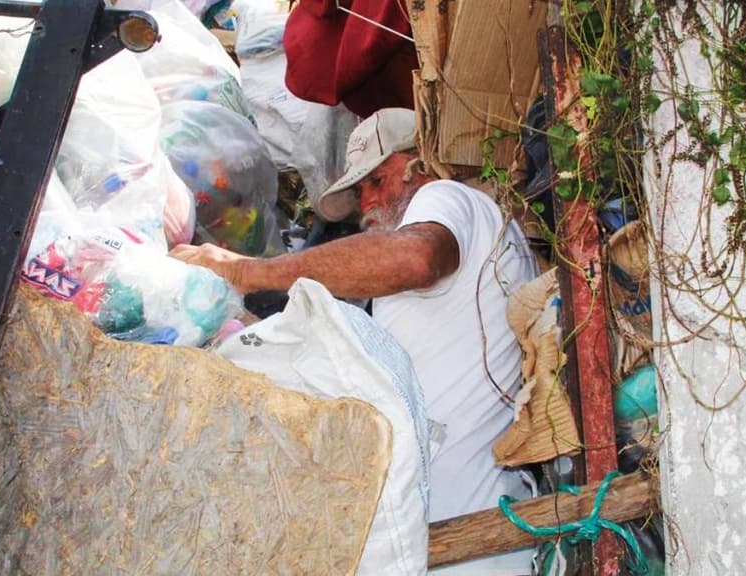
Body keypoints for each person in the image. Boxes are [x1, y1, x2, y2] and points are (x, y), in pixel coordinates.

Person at [170, 108, 539, 574]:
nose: (366, 204)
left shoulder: (448, 198)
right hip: (452, 537)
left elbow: (417, 257)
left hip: (463, 541)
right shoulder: (463, 247)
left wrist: (245, 271)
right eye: (358, 190)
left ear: (417, 168)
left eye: (376, 181)